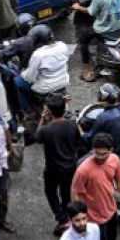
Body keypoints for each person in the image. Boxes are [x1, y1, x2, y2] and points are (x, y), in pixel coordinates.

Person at [34, 99, 81, 231]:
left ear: (49, 111)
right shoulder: (72, 125)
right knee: (66, 193)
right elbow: (78, 142)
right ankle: (66, 215)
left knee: (50, 192)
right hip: (70, 166)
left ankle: (62, 219)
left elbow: (37, 137)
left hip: (53, 168)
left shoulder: (46, 130)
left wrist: (42, 119)